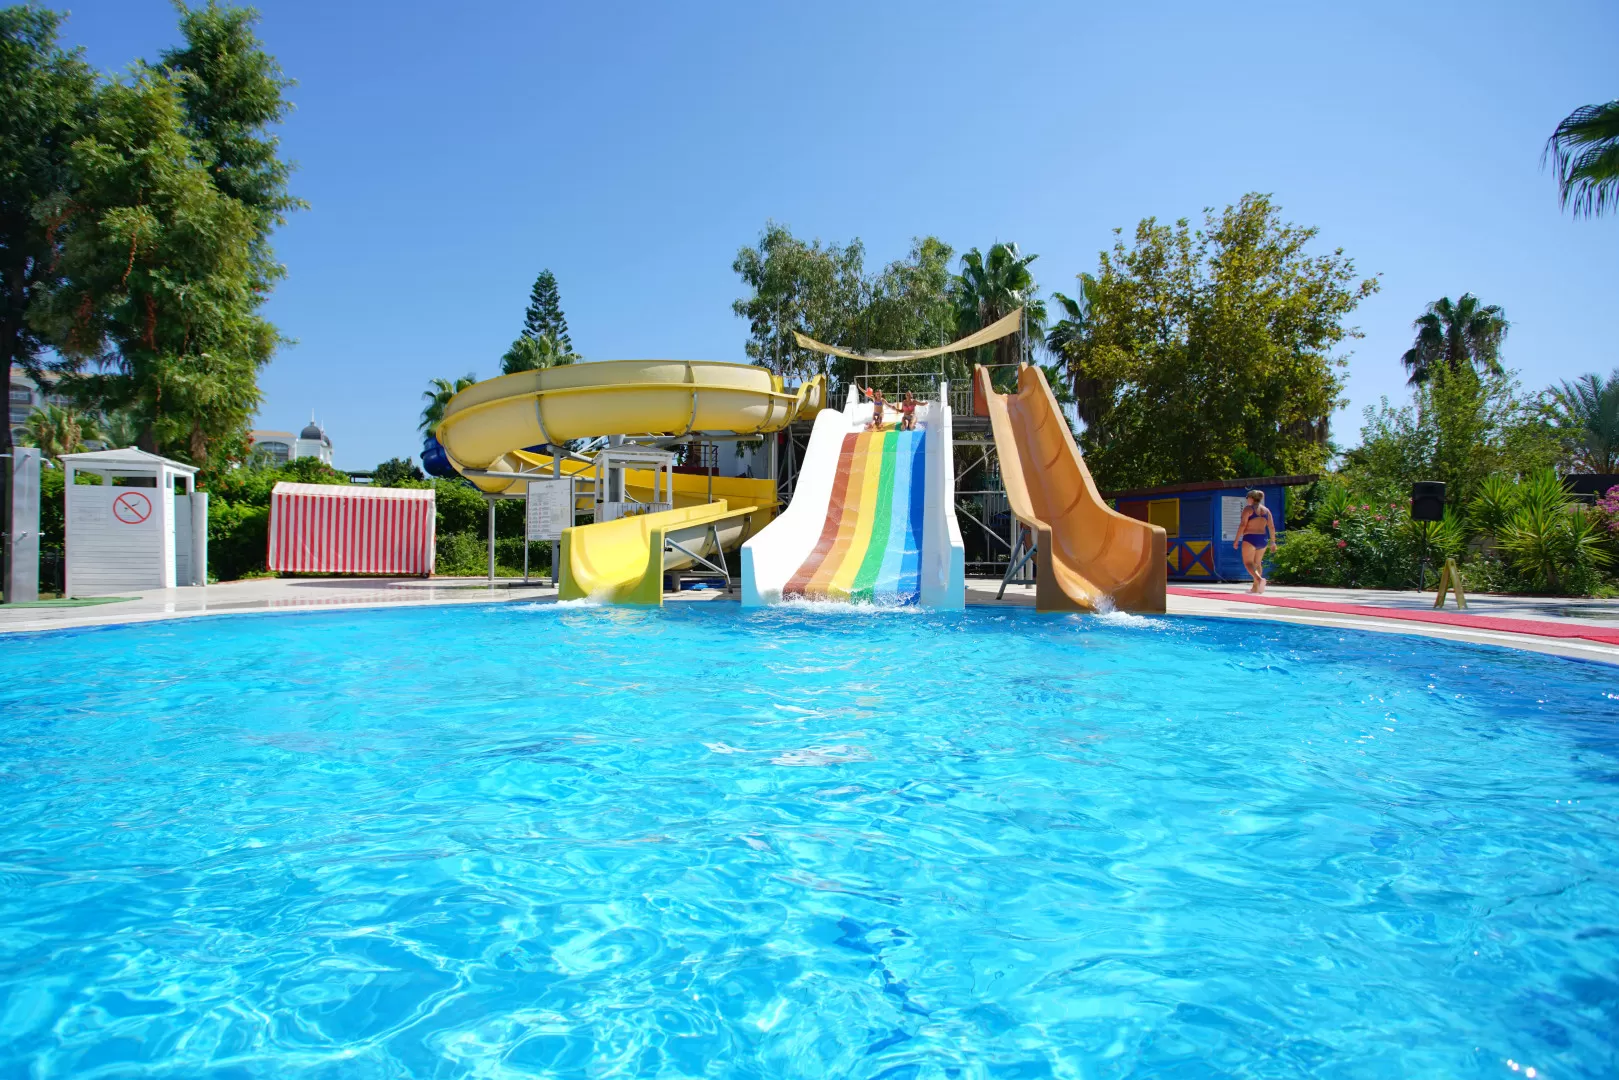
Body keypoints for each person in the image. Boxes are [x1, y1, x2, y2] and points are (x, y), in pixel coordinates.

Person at [1234, 489, 1277, 593]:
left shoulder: (1248, 509)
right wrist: (1273, 542)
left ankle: (1259, 579)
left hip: (1250, 538)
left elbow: (1243, 525)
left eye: (1247, 497)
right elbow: (1271, 526)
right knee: (1257, 563)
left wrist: (1236, 540)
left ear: (1251, 498)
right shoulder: (1266, 510)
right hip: (1262, 539)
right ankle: (1255, 588)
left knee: (1248, 563)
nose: (1247, 499)